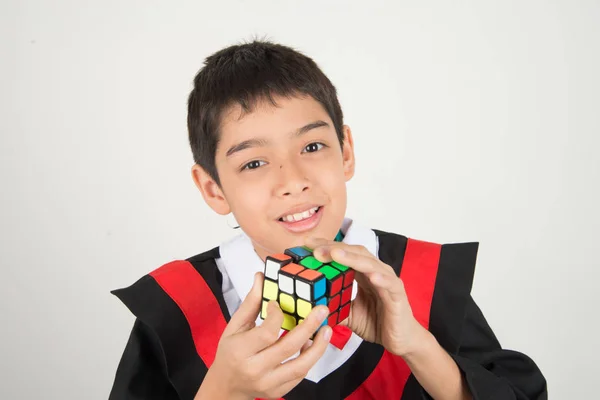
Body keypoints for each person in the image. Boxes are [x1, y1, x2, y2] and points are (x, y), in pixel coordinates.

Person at [108, 40, 547, 400]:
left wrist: (418, 346)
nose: (293, 181)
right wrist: (221, 393)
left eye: (313, 147)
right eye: (254, 163)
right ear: (213, 189)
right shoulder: (177, 307)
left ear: (347, 151)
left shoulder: (419, 279)